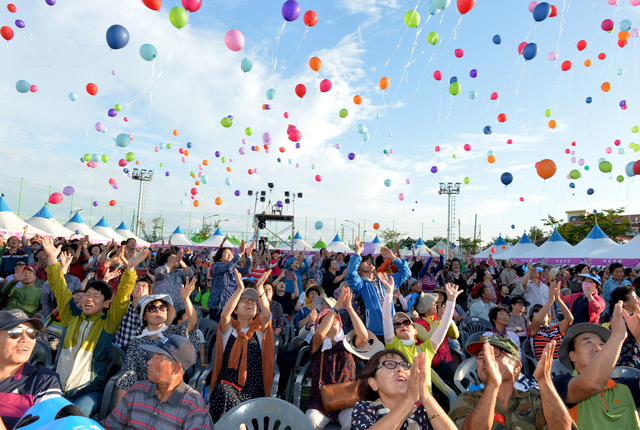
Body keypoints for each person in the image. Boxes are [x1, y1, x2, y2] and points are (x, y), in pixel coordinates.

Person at [42, 236, 149, 416]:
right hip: (58, 387)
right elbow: (60, 288)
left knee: (72, 417)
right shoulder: (71, 316)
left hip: (89, 391)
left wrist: (130, 269)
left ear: (106, 303)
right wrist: (53, 259)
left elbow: (122, 299)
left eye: (96, 296)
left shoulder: (107, 323)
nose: (89, 299)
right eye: (87, 294)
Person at [449, 335, 576, 430]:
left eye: (494, 353)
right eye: (480, 355)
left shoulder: (533, 398)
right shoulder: (468, 399)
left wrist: (544, 379)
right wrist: (493, 386)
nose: (485, 359)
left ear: (516, 366)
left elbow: (563, 427)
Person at [553, 304, 640, 430]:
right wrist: (617, 336)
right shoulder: (560, 384)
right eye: (588, 342)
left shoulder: (625, 386)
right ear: (572, 356)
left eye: (602, 344)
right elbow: (591, 384)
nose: (598, 348)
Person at [102, 334, 213, 430]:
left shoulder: (192, 403)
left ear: (176, 368)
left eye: (158, 358)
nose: (149, 362)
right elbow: (110, 426)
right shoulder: (137, 390)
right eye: (152, 356)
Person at [115, 278, 199, 404]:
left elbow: (192, 323)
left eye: (162, 307)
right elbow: (129, 372)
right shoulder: (137, 341)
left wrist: (186, 299)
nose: (158, 311)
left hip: (169, 388)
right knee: (127, 378)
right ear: (144, 316)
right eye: (152, 309)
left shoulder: (174, 333)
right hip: (142, 390)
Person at [209, 269, 274, 422]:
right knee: (223, 391)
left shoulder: (259, 331)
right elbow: (224, 315)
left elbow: (266, 314)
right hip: (229, 387)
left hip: (253, 391)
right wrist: (239, 290)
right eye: (245, 300)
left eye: (253, 301)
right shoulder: (229, 330)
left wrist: (260, 290)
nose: (250, 303)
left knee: (228, 413)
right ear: (235, 309)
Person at [306, 287, 368, 430]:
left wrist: (349, 308)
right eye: (326, 319)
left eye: (335, 318)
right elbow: (320, 335)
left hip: (348, 400)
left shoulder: (348, 342)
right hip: (319, 402)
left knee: (355, 423)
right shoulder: (317, 344)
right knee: (310, 423)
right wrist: (336, 308)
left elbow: (364, 337)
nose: (332, 319)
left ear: (340, 324)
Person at [351, 349, 458, 430]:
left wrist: (426, 395)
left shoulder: (421, 412)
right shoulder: (366, 408)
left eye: (404, 364)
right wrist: (409, 398)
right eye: (389, 364)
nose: (400, 369)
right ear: (373, 383)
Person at [0, 309, 62, 430]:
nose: (26, 339)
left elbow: (49, 426)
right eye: (15, 332)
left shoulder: (43, 380)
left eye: (31, 333)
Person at [348, 237, 411, 339]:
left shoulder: (384, 280)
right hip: (374, 333)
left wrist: (393, 257)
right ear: (358, 269)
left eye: (369, 259)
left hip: (393, 330)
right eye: (364, 260)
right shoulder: (360, 285)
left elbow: (406, 273)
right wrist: (357, 253)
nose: (369, 261)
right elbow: (351, 274)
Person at [207, 240, 254, 322]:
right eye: (226, 253)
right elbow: (227, 268)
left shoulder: (234, 268)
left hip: (231, 305)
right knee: (216, 330)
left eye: (231, 253)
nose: (230, 255)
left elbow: (247, 271)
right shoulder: (217, 266)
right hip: (218, 306)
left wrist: (249, 256)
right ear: (220, 258)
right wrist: (239, 254)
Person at [527, 279, 573, 360]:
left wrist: (558, 299)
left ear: (549, 317)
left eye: (543, 310)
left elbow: (569, 319)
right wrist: (550, 301)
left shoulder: (555, 328)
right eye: (537, 311)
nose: (541, 312)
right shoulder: (531, 329)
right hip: (544, 367)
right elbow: (537, 321)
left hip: (561, 365)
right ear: (532, 317)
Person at [113, 275, 153, 352]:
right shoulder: (124, 306)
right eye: (137, 285)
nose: (140, 287)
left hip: (140, 352)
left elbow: (143, 329)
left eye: (144, 286)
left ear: (149, 294)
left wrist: (140, 304)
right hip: (120, 350)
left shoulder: (151, 310)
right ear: (131, 292)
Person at [608, 286, 640, 367]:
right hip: (629, 365)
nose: (638, 299)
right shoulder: (627, 318)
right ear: (624, 302)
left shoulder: (617, 318)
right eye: (635, 297)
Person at [153, 248, 191, 313]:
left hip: (178, 308)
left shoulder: (180, 272)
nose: (177, 259)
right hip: (161, 308)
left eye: (177, 258)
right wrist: (176, 259)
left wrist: (180, 261)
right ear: (165, 262)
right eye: (173, 258)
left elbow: (189, 274)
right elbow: (160, 271)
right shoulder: (159, 270)